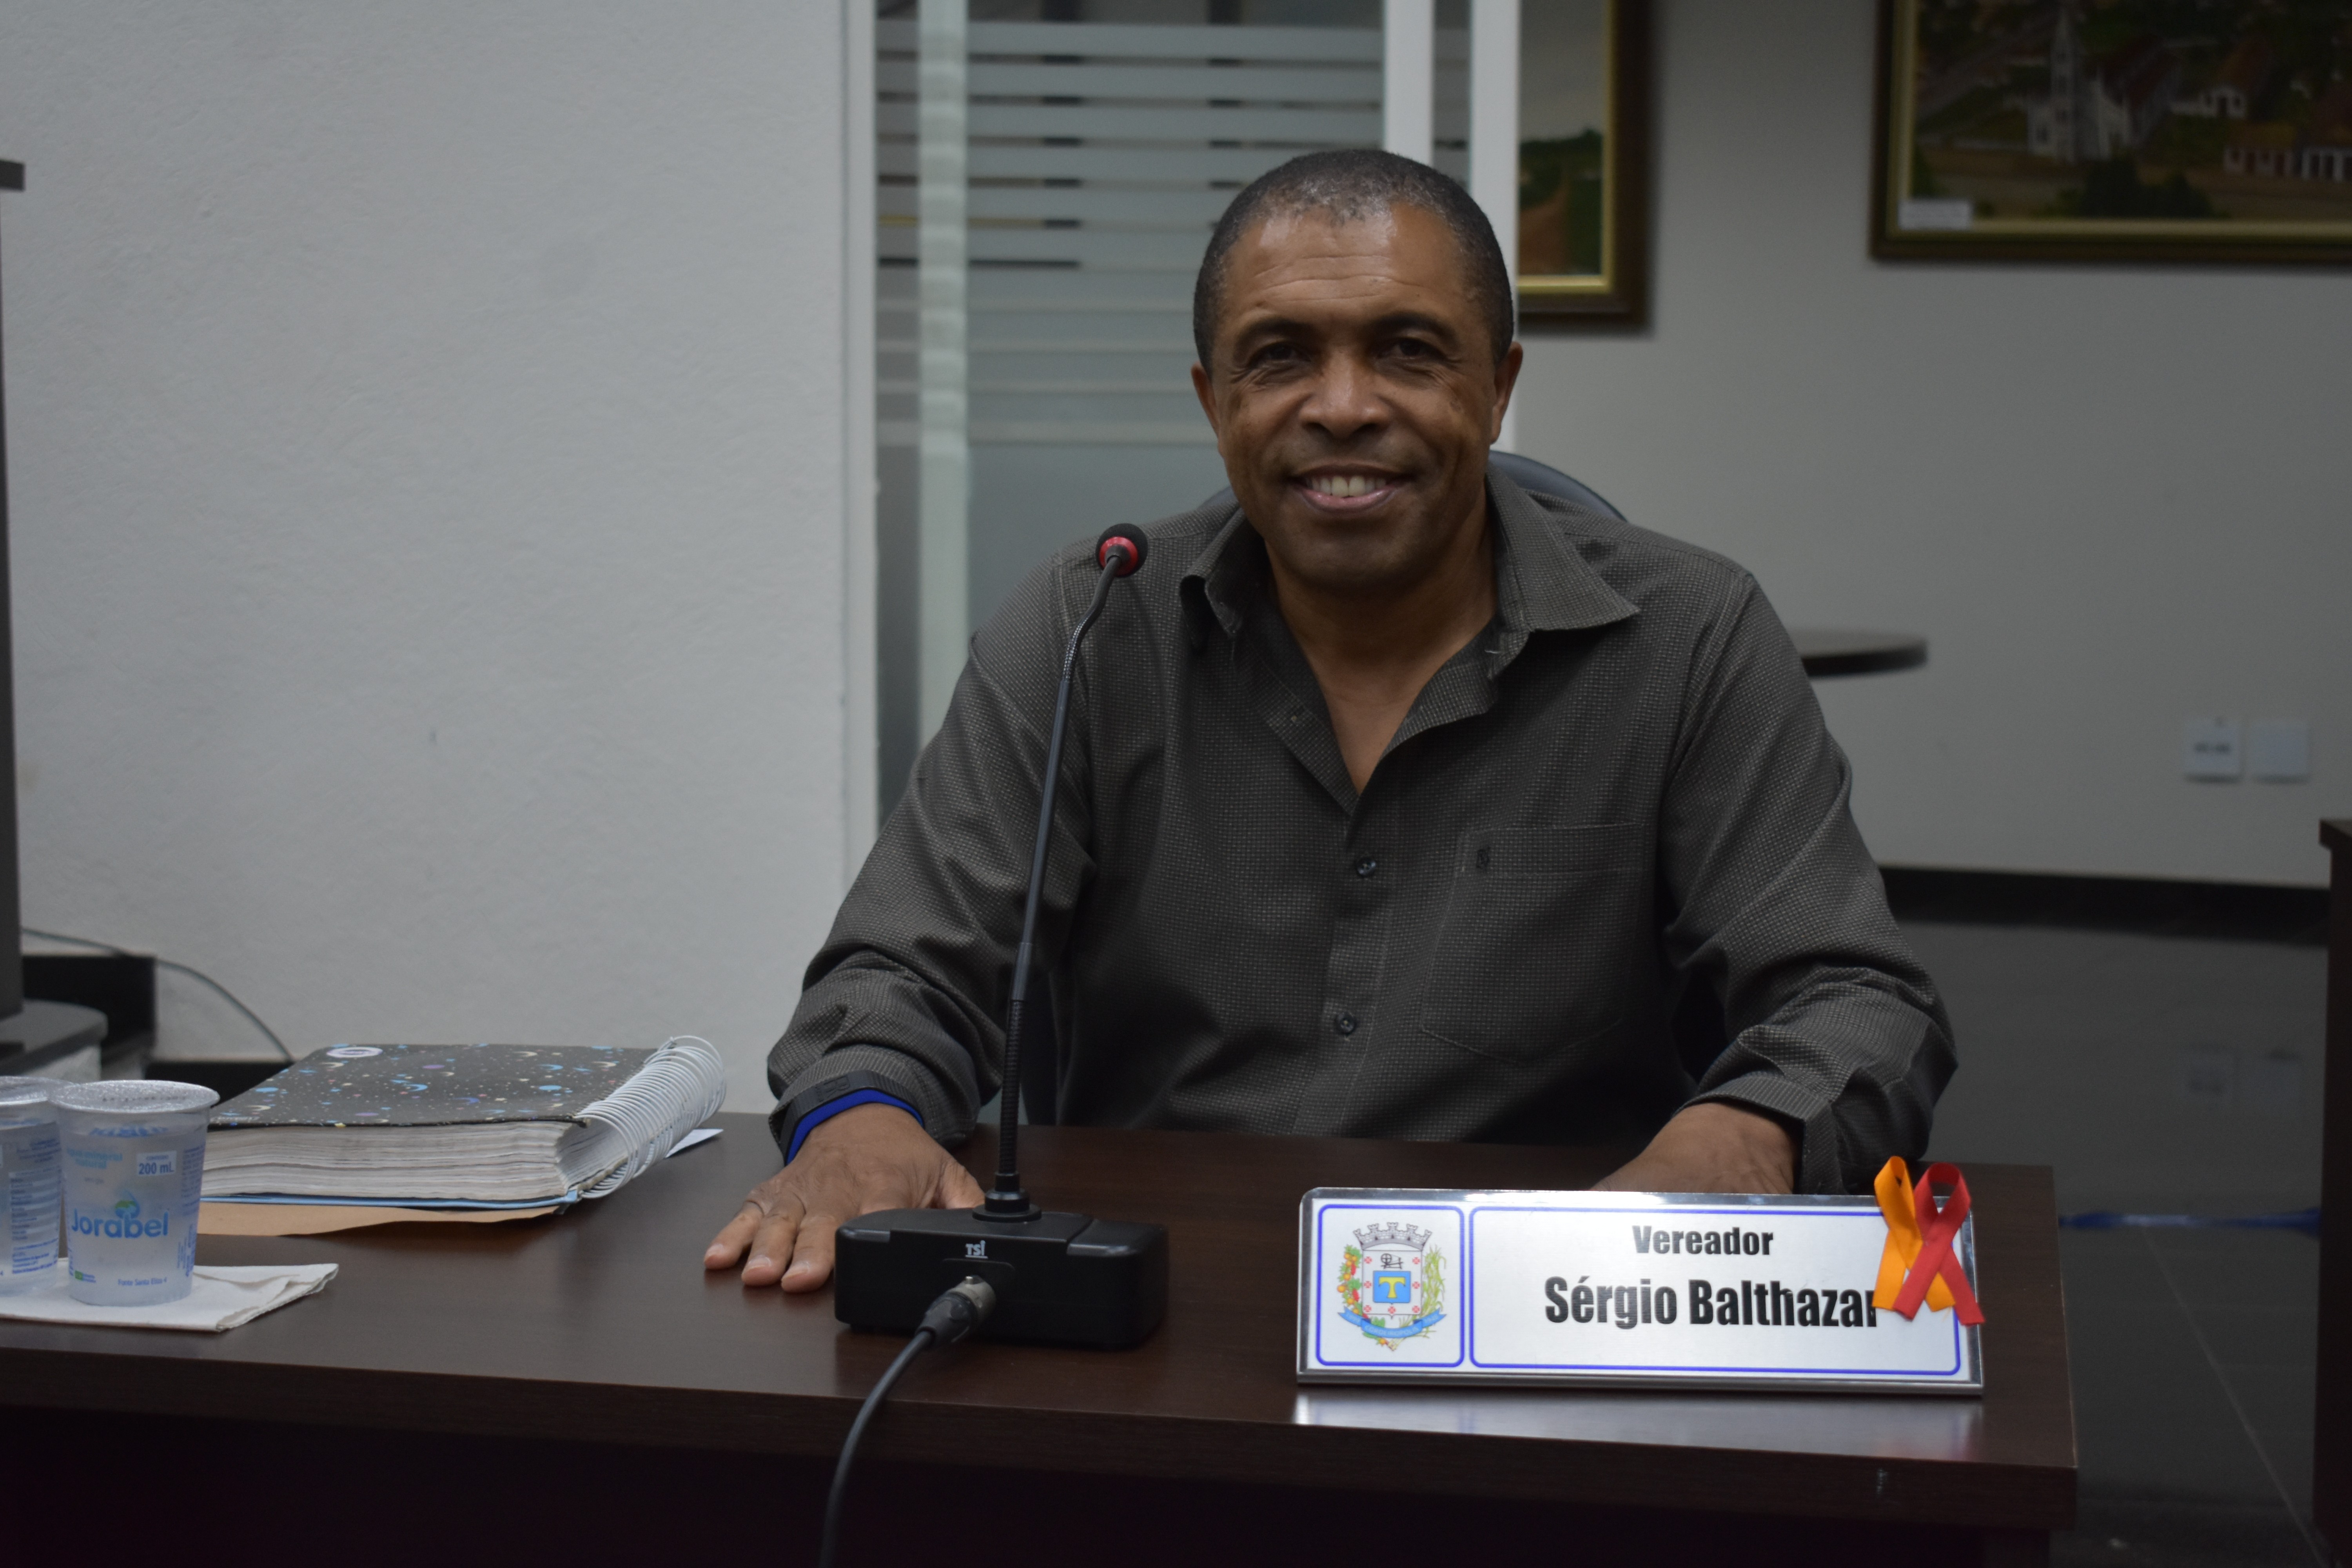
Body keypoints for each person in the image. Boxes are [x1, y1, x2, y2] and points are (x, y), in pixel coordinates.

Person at [706, 150, 1953, 1292]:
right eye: (1280, 357)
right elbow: (901, 971)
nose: (1344, 406)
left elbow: (1851, 996)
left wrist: (1741, 1140)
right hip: (1155, 1302)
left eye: (1408, 351)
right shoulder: (1092, 624)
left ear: (1500, 386)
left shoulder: (1689, 637)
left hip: (1549, 1295)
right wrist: (861, 1119)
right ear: (1215, 401)